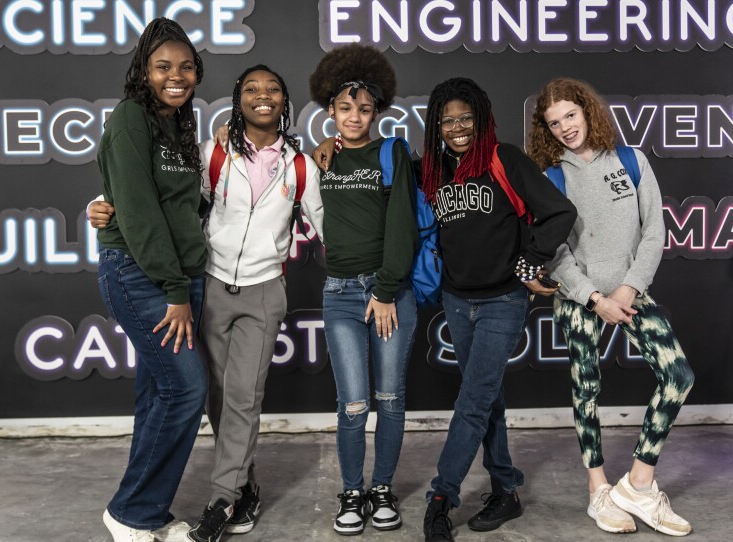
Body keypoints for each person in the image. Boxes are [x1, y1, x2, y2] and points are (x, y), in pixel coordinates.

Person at [89, 64, 324, 541]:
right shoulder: (210, 154)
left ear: (285, 100)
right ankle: (245, 485)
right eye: (252, 89)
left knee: (243, 397)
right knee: (213, 397)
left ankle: (222, 501)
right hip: (209, 286)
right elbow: (163, 198)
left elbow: (332, 231)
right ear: (237, 100)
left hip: (264, 293)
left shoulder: (302, 165)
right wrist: (101, 202)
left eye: (273, 89)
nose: (263, 96)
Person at [527, 77, 695, 537]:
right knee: (587, 390)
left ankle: (638, 484)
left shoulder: (630, 160)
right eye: (553, 122)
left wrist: (628, 288)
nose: (564, 128)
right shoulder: (550, 177)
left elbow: (654, 231)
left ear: (587, 112)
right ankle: (598, 490)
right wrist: (594, 298)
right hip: (581, 299)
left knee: (678, 375)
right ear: (546, 129)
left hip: (629, 291)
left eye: (571, 116)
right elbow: (555, 251)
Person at [418, 78, 577, 542]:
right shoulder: (431, 169)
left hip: (503, 300)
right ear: (437, 126)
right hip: (455, 298)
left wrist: (530, 261)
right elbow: (384, 169)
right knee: (486, 399)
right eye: (447, 120)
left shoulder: (503, 158)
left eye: (465, 118)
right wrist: (330, 144)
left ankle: (441, 498)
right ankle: (505, 487)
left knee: (472, 402)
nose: (457, 127)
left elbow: (559, 212)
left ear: (481, 118)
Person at [94, 17, 207, 542]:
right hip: (145, 277)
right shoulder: (130, 118)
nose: (176, 76)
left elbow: (183, 206)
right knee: (186, 390)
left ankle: (148, 512)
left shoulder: (179, 125)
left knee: (158, 396)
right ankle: (131, 511)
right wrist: (176, 289)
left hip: (180, 274)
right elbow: (138, 213)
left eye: (185, 67)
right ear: (144, 70)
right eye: (163, 67)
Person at [308, 44, 419, 536]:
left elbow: (403, 230)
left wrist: (388, 290)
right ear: (331, 110)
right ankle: (352, 490)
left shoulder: (392, 151)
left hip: (387, 291)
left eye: (365, 108)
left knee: (389, 397)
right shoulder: (317, 160)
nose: (355, 116)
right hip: (339, 294)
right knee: (353, 402)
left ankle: (382, 488)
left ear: (377, 112)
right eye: (345, 107)